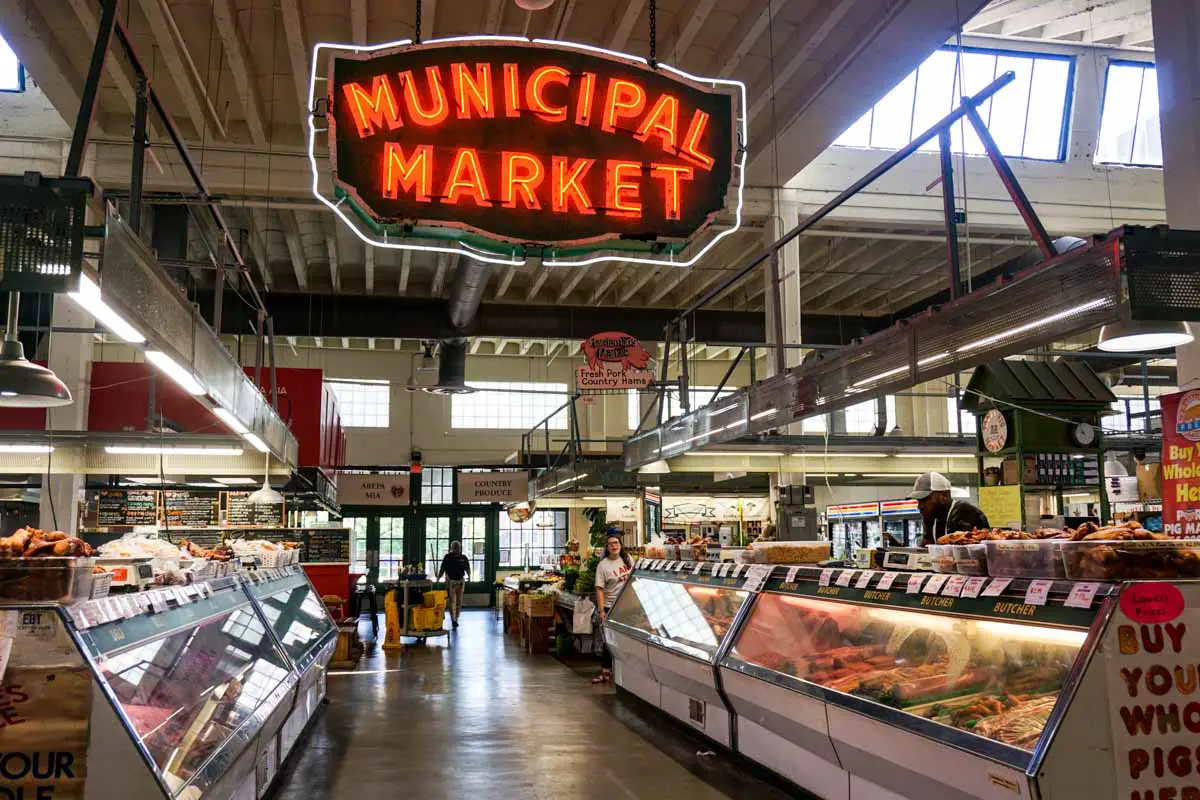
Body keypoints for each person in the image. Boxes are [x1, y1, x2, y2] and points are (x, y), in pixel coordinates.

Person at [908, 471, 990, 546]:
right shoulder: (931, 517)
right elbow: (926, 547)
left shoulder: (965, 512)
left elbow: (966, 551)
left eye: (925, 500)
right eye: (919, 501)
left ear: (944, 496)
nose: (920, 506)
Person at [593, 534, 632, 684]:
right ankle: (605, 671)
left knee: (627, 638)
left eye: (616, 543)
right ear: (607, 547)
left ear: (620, 545)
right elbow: (599, 589)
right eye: (610, 544)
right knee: (609, 640)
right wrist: (602, 610)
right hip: (610, 607)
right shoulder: (603, 566)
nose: (614, 546)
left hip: (627, 605)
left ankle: (625, 669)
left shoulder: (627, 559)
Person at [436, 541, 470, 628]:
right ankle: (453, 620)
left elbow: (467, 568)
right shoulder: (448, 557)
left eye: (458, 547)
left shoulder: (463, 557)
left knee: (459, 602)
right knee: (452, 602)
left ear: (460, 548)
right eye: (454, 548)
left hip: (461, 582)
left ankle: (456, 618)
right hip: (451, 582)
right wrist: (439, 577)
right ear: (451, 548)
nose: (456, 549)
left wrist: (469, 576)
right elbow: (443, 568)